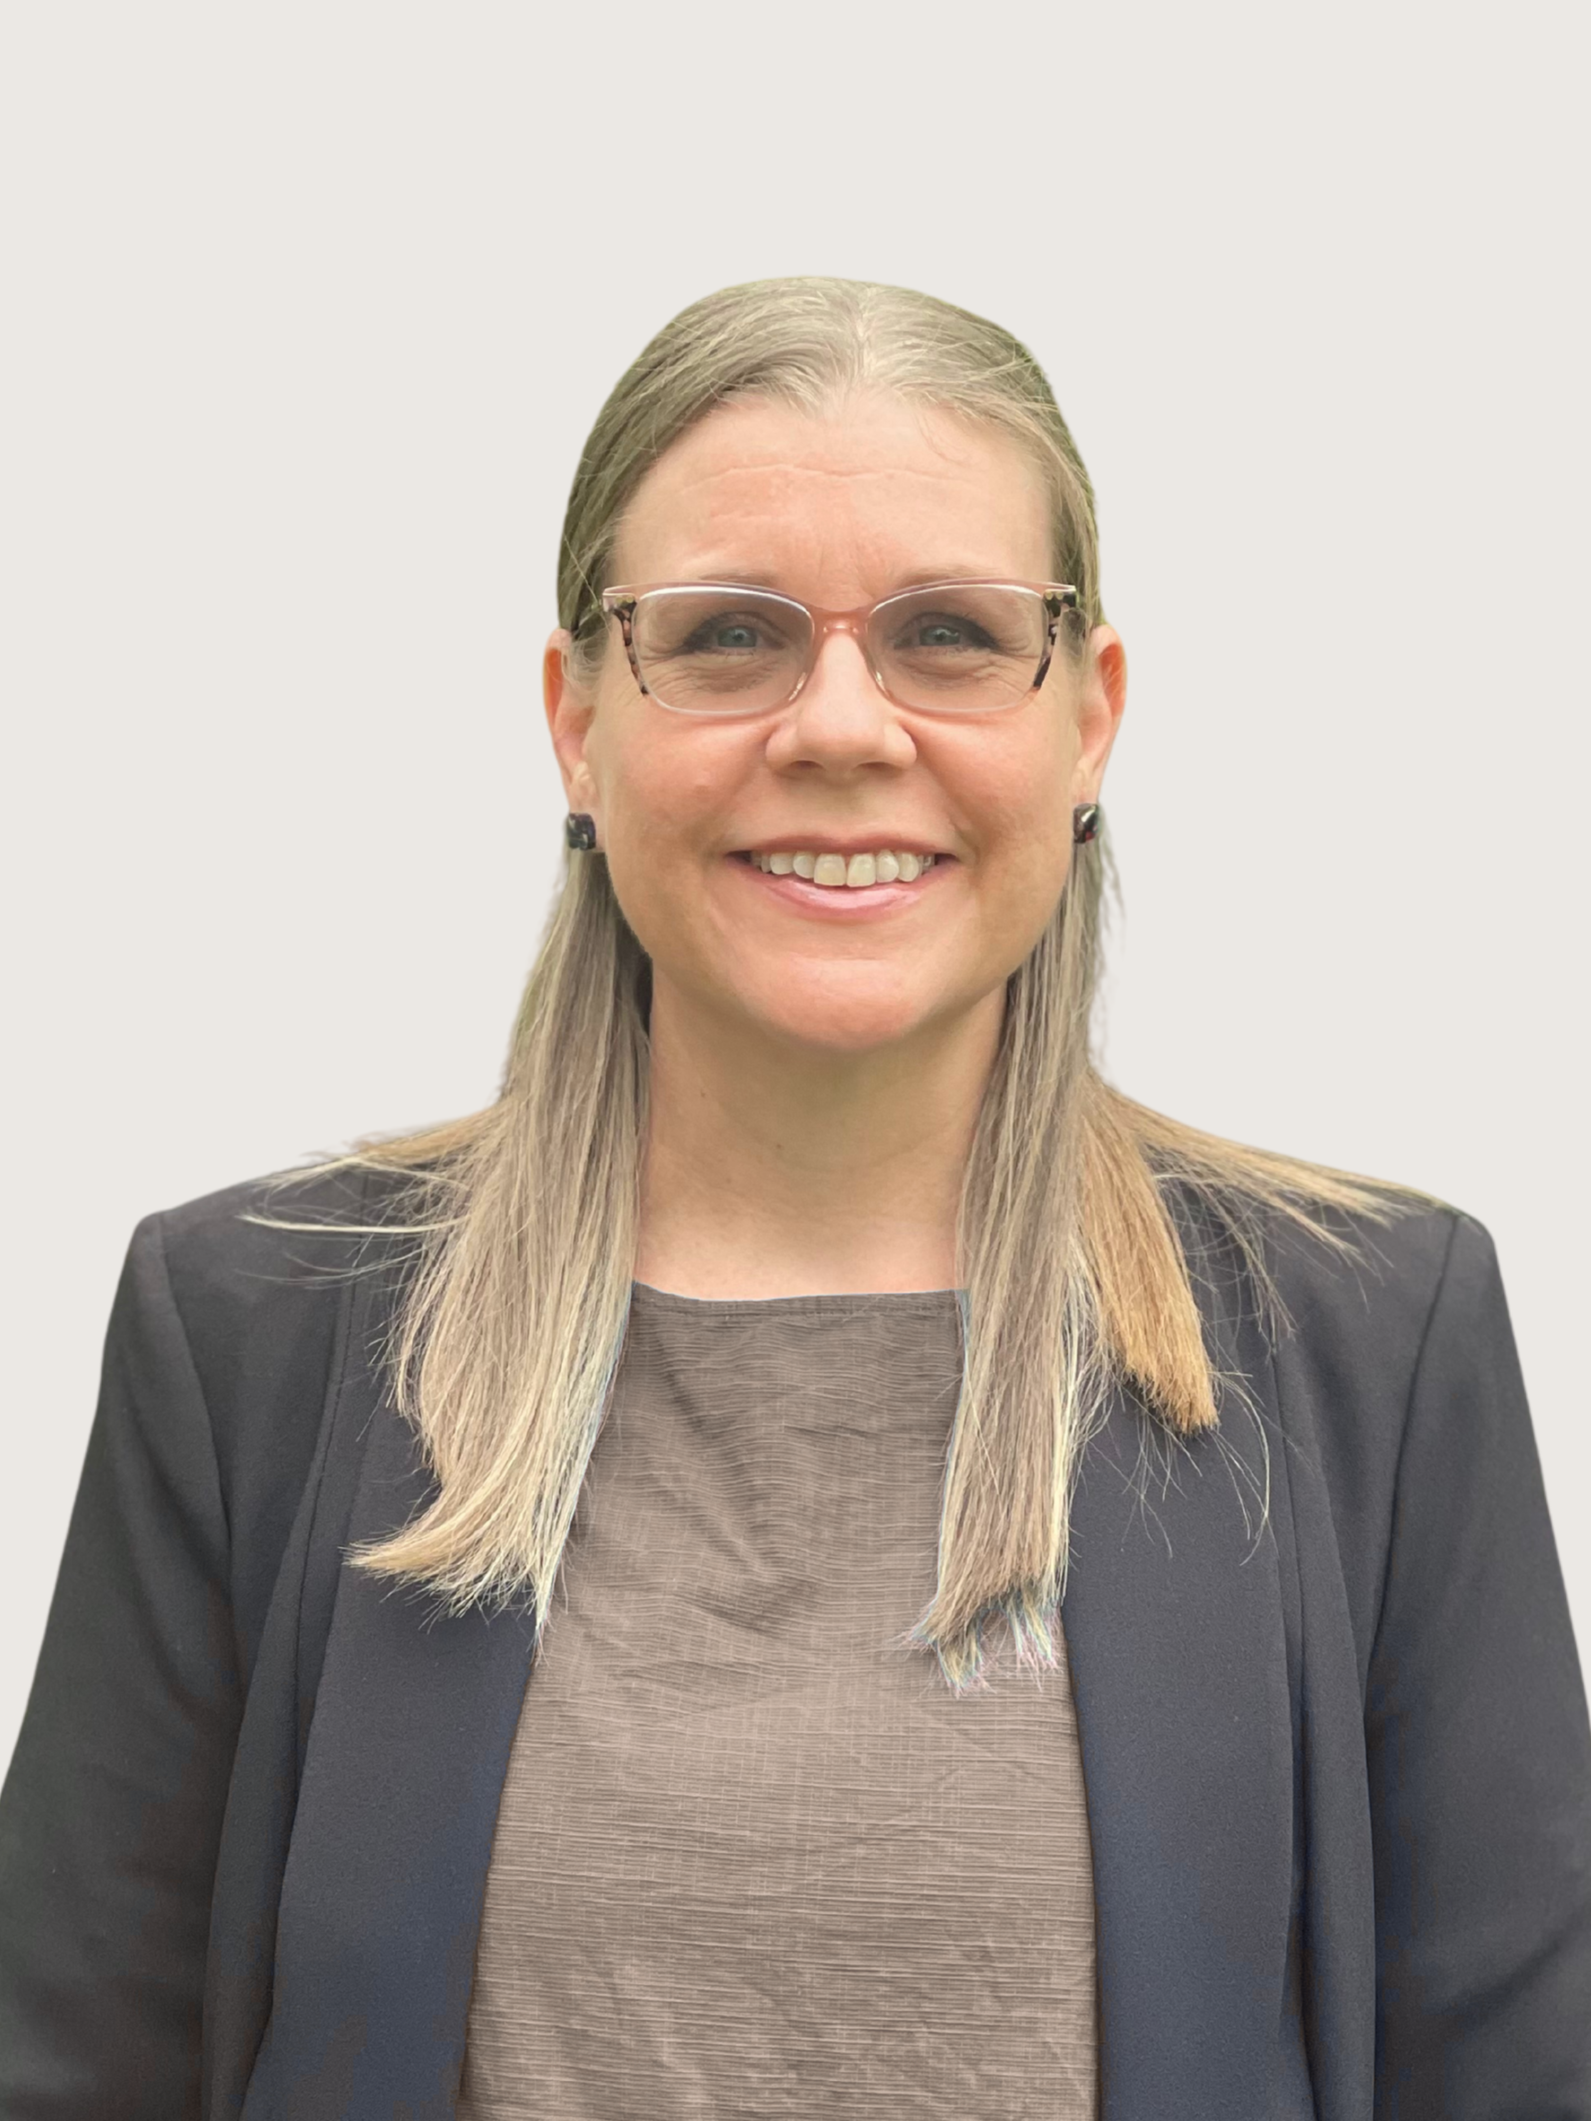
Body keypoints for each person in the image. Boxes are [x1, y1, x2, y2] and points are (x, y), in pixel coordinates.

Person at [2, 276, 1587, 2120]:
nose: (841, 726)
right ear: (575, 720)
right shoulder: (250, 1337)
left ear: (1089, 719)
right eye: (727, 635)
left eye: (950, 634)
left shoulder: (1373, 1345)